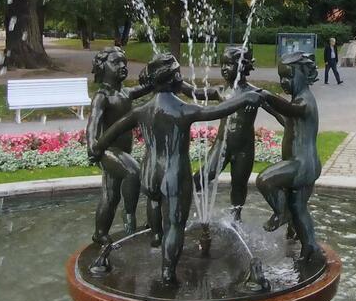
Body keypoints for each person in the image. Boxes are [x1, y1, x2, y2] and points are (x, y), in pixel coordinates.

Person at [94, 53, 262, 286]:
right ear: (174, 78)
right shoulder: (184, 110)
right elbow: (219, 111)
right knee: (175, 224)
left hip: (149, 173)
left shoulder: (141, 111)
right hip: (173, 174)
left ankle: (155, 237)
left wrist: (97, 150)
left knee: (154, 202)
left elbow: (107, 136)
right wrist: (245, 99)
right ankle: (167, 273)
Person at [85, 47, 149, 272]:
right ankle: (129, 217)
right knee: (134, 172)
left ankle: (100, 234)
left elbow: (149, 86)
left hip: (123, 151)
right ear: (103, 68)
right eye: (116, 63)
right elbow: (93, 123)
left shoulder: (125, 93)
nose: (123, 66)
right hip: (108, 151)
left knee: (110, 195)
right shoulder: (102, 97)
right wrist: (92, 144)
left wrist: (156, 75)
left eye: (124, 62)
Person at [257, 52, 322, 263]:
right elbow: (285, 117)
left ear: (303, 75)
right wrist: (263, 103)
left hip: (301, 165)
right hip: (307, 165)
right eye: (281, 77)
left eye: (288, 76)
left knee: (265, 180)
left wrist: (266, 95)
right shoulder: (298, 103)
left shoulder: (305, 102)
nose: (284, 82)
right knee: (299, 209)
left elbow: (290, 109)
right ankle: (310, 249)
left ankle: (281, 212)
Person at [193, 44, 261, 219]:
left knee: (239, 184)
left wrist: (296, 124)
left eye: (229, 64)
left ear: (243, 65)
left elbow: (278, 111)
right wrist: (175, 84)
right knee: (202, 177)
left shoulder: (254, 93)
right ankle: (180, 204)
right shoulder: (221, 91)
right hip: (221, 146)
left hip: (244, 150)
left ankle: (235, 216)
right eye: (222, 64)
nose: (224, 68)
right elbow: (195, 93)